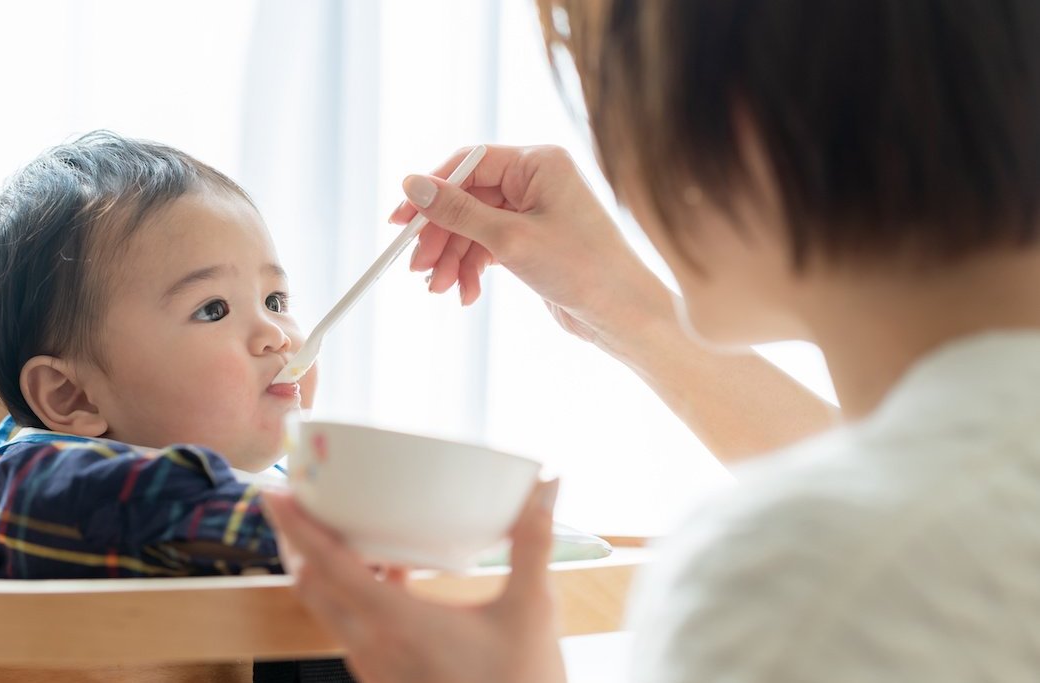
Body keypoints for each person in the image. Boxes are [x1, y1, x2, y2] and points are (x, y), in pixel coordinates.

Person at [262, 1, 1040, 681]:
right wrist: (627, 307)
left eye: (616, 101)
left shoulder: (807, 574)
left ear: (738, 115)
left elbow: (885, 532)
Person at [0, 131, 353, 680]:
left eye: (275, 300)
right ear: (72, 396)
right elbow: (115, 503)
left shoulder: (277, 493)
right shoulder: (32, 504)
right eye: (213, 309)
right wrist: (323, 534)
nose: (277, 334)